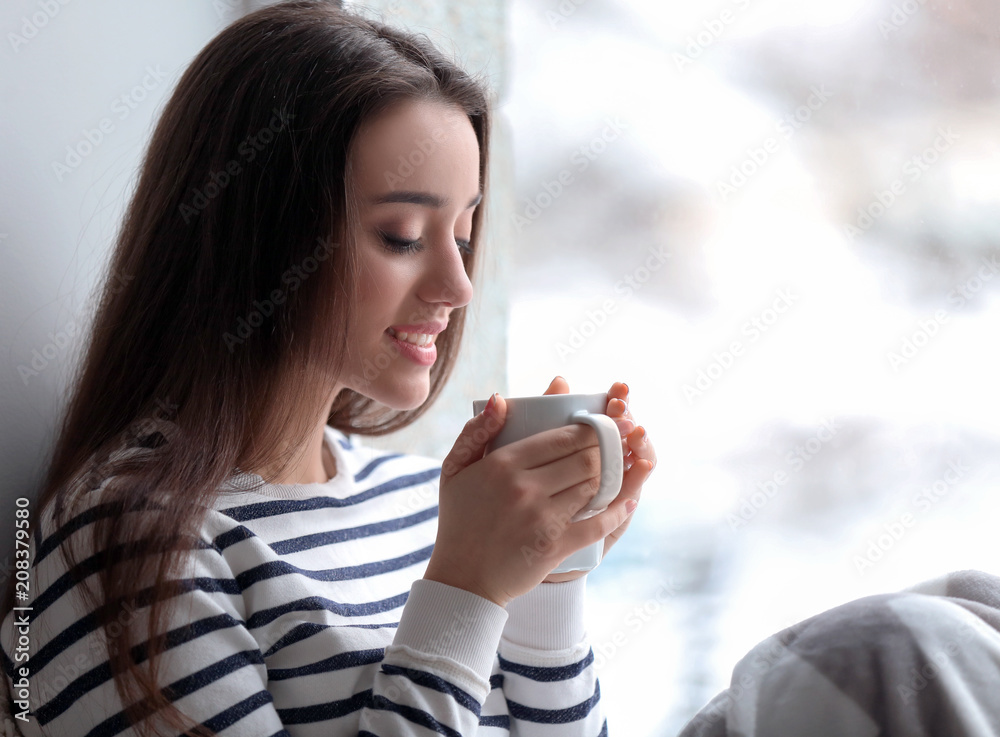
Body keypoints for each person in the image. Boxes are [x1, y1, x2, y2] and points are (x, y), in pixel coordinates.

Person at [0, 2, 657, 736]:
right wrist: (466, 590)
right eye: (402, 235)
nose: (458, 285)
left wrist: (549, 575)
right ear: (257, 233)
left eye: (464, 234)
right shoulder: (126, 549)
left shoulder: (424, 505)